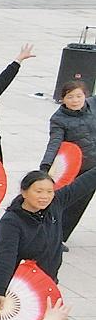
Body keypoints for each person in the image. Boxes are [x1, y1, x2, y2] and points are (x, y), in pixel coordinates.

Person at [0, 166, 96, 302]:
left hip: (49, 282)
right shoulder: (11, 221)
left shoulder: (55, 203)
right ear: (24, 192)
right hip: (21, 288)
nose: (44, 197)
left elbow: (84, 183)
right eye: (38, 191)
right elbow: (5, 257)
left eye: (49, 192)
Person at [43, 80, 96, 241]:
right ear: (63, 99)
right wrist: (45, 166)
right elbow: (54, 144)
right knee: (74, 206)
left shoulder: (93, 104)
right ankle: (57, 238)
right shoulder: (58, 119)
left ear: (85, 95)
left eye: (79, 96)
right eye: (70, 97)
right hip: (83, 169)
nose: (75, 100)